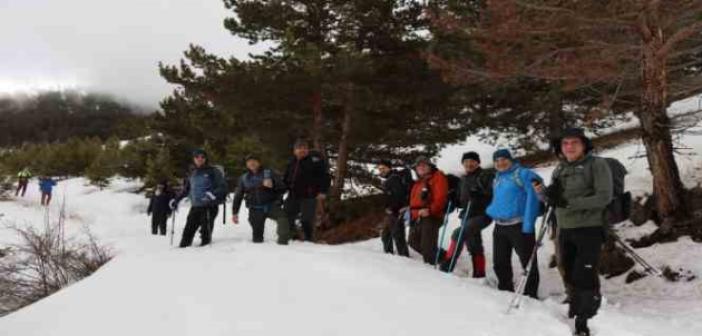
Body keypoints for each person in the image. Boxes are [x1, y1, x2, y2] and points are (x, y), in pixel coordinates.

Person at [534, 128, 613, 336]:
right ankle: (576, 308)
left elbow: (604, 197)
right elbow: (554, 199)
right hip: (565, 228)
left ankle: (585, 319)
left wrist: (568, 203)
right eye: (565, 143)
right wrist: (545, 193)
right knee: (569, 271)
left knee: (585, 272)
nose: (569, 147)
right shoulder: (560, 169)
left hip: (589, 228)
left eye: (574, 143)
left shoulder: (597, 165)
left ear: (584, 144)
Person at [486, 149, 543, 298]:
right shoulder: (497, 178)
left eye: (504, 159)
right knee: (500, 262)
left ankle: (530, 295)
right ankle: (505, 291)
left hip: (519, 225)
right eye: (497, 160)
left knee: (528, 263)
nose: (500, 163)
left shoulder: (523, 174)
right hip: (500, 226)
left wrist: (528, 225)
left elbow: (533, 199)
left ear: (511, 160)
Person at [438, 152, 494, 277]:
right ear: (463, 163)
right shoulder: (463, 179)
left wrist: (480, 194)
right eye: (466, 161)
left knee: (458, 234)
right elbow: (460, 200)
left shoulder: (486, 175)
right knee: (473, 245)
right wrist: (453, 198)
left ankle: (447, 266)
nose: (469, 164)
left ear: (478, 162)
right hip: (467, 214)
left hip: (482, 214)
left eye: (472, 161)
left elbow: (492, 193)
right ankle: (479, 274)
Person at [171, 149, 227, 247]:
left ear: (205, 158)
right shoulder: (192, 172)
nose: (200, 159)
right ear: (194, 159)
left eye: (202, 157)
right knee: (187, 232)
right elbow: (186, 189)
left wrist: (213, 194)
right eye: (197, 157)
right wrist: (176, 200)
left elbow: (223, 187)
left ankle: (204, 258)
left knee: (205, 234)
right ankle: (182, 253)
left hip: (209, 206)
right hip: (196, 206)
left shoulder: (213, 171)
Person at [231, 155, 290, 244]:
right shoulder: (244, 178)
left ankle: (283, 243)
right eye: (249, 161)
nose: (252, 163)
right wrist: (235, 212)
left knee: (283, 219)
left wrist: (273, 184)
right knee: (257, 239)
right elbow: (238, 195)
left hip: (271, 206)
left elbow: (283, 188)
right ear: (246, 164)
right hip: (255, 209)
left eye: (254, 161)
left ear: (259, 162)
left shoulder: (269, 173)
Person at [283, 139, 330, 241]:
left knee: (306, 220)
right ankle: (294, 237)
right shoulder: (291, 162)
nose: (302, 150)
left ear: (308, 150)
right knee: (285, 217)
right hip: (293, 195)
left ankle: (309, 240)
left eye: (304, 148)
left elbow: (325, 177)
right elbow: (286, 178)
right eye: (299, 148)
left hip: (309, 195)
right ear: (294, 151)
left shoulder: (315, 161)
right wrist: (281, 189)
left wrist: (323, 191)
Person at [408, 156, 449, 265]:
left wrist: (430, 210)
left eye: (424, 165)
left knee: (427, 247)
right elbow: (413, 202)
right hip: (418, 217)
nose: (421, 167)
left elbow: (441, 198)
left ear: (430, 166)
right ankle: (443, 256)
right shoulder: (418, 182)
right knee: (412, 241)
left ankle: (432, 269)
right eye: (418, 166)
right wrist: (413, 214)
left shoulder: (438, 177)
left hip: (431, 216)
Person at [377, 160, 410, 257]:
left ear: (389, 168)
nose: (381, 170)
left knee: (397, 235)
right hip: (393, 212)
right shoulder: (390, 178)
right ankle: (390, 257)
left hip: (396, 212)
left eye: (383, 168)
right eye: (380, 169)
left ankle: (404, 258)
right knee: (386, 235)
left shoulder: (393, 179)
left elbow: (398, 195)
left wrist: (392, 208)